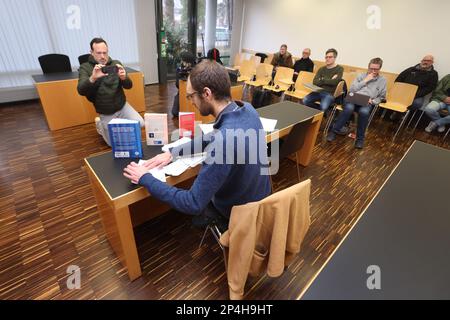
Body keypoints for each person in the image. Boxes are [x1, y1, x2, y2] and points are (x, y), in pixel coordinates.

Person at [123, 60, 271, 230]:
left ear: (206, 93)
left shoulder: (223, 143)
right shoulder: (248, 109)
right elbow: (212, 136)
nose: (191, 101)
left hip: (240, 216)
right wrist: (174, 152)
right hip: (261, 201)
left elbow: (193, 203)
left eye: (191, 95)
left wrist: (145, 178)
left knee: (197, 203)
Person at [77, 38, 144, 146]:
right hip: (105, 110)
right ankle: (100, 124)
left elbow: (129, 86)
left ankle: (117, 124)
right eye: (98, 53)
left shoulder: (116, 64)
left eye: (105, 52)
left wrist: (123, 78)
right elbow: (81, 90)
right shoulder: (85, 67)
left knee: (140, 123)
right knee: (112, 144)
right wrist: (93, 78)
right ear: (91, 52)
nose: (102, 56)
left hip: (121, 106)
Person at [327, 57, 387, 149]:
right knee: (349, 108)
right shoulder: (361, 76)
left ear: (380, 69)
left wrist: (373, 101)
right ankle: (334, 132)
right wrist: (365, 80)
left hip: (366, 101)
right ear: (368, 67)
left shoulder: (382, 80)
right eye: (371, 68)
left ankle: (360, 139)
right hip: (353, 98)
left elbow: (382, 97)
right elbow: (352, 89)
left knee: (364, 112)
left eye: (376, 69)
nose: (373, 71)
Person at [391, 55, 438, 120]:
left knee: (417, 103)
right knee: (393, 97)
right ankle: (397, 111)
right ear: (421, 61)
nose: (425, 62)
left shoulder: (433, 74)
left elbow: (430, 87)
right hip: (403, 91)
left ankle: (403, 112)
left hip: (417, 95)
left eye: (428, 61)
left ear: (432, 62)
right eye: (424, 60)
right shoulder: (411, 69)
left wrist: (416, 94)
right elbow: (399, 79)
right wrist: (400, 90)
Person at [172, 51, 197, 117]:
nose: (182, 62)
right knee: (174, 112)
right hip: (182, 91)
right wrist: (182, 76)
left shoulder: (196, 69)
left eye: (184, 61)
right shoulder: (179, 69)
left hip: (194, 91)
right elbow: (177, 84)